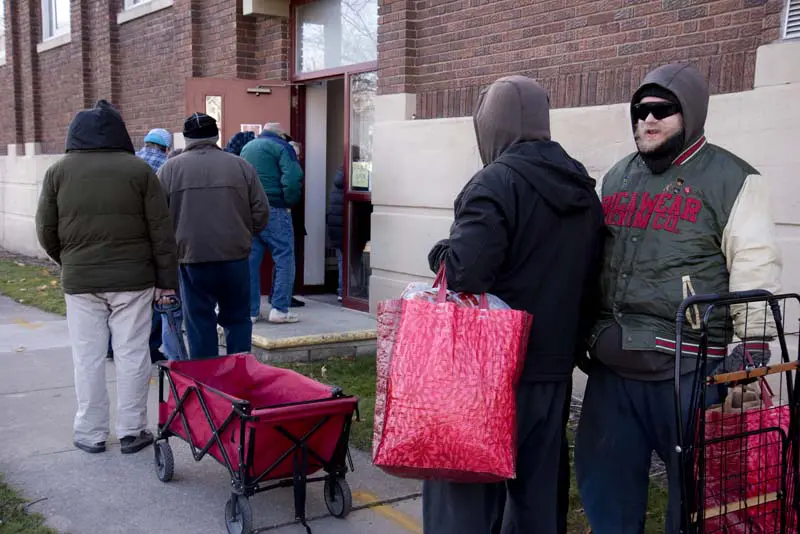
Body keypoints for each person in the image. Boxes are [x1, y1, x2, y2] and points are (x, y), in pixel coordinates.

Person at [574, 63, 782, 534]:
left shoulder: (734, 180)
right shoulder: (617, 176)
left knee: (695, 501)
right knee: (605, 490)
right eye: (640, 111)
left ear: (691, 113)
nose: (648, 120)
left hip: (689, 370)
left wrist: (751, 346)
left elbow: (754, 263)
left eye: (662, 110)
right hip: (613, 368)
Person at [424, 75, 605, 534]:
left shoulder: (495, 182)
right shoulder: (583, 187)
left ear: (490, 127)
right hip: (551, 372)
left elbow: (465, 273)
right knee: (537, 507)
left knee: (463, 505)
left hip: (489, 377)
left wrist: (440, 252)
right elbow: (592, 280)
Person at [35, 100, 178, 455]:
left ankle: (90, 432)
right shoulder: (140, 171)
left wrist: (68, 260)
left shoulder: (58, 172)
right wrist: (166, 280)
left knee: (87, 356)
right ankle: (132, 430)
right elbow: (162, 232)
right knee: (133, 354)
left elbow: (45, 229)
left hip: (81, 281)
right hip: (134, 280)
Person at [158, 113, 270, 359]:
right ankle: (239, 379)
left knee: (199, 322)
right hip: (234, 256)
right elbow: (261, 213)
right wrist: (242, 235)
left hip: (192, 259)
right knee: (238, 320)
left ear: (186, 138)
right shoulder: (241, 166)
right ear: (217, 135)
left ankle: (207, 384)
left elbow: (157, 221)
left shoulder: (169, 170)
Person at [107, 128, 176, 363]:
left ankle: (111, 345)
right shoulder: (164, 165)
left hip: (125, 238)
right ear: (166, 147)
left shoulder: (130, 163)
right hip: (152, 240)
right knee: (156, 297)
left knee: (119, 302)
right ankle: (151, 345)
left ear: (146, 142)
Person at [240, 122, 304, 323]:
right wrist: (289, 201)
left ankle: (251, 311)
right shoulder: (282, 147)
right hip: (275, 208)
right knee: (284, 257)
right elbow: (293, 178)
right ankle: (279, 309)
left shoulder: (247, 147)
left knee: (250, 261)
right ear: (281, 135)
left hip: (250, 210)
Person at [326, 165, 345, 302]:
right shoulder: (349, 182)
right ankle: (345, 290)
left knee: (341, 259)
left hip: (335, 225)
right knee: (350, 260)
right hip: (346, 225)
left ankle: (341, 290)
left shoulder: (337, 181)